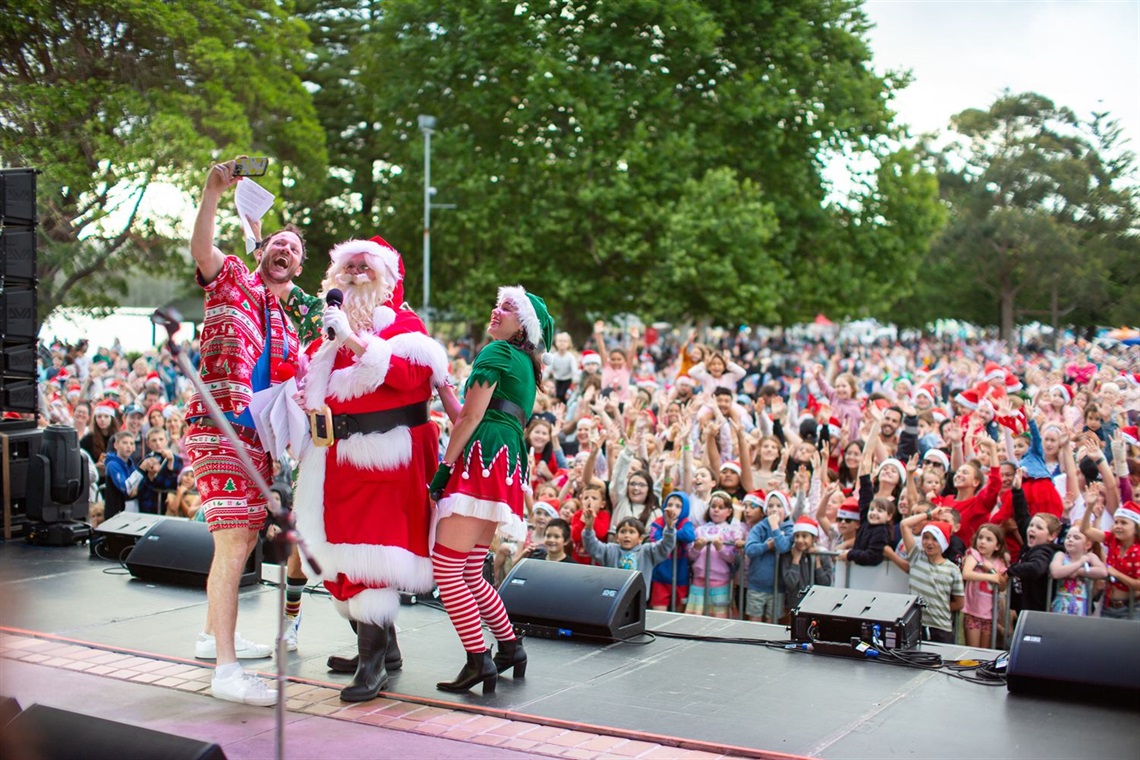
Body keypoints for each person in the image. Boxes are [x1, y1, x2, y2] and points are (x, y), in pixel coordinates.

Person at [293, 237, 447, 702]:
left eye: (366, 265)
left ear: (386, 276)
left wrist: (354, 339)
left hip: (384, 458)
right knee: (342, 552)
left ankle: (373, 663)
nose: (357, 272)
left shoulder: (403, 324)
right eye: (349, 264)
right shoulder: (330, 332)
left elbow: (413, 375)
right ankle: (383, 648)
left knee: (372, 555)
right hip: (336, 456)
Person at [184, 158, 304, 707]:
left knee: (245, 540)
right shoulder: (232, 277)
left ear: (297, 268)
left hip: (254, 439)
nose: (286, 249)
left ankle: (215, 638)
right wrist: (212, 192)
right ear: (261, 253)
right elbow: (202, 250)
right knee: (234, 545)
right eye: (279, 241)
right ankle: (227, 671)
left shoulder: (285, 323)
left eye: (296, 249)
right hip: (219, 426)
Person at [428, 285, 555, 694]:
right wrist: (444, 388)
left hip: (482, 459)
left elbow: (469, 422)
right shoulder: (522, 362)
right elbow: (472, 416)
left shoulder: (496, 352)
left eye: (508, 308)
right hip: (502, 459)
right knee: (469, 570)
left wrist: (444, 469)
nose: (496, 310)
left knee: (447, 569)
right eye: (499, 304)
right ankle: (510, 646)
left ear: (523, 327)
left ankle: (478, 658)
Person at [897, 514, 964, 643]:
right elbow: (904, 524)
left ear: (943, 542)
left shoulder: (953, 569)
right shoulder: (917, 556)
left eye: (935, 539)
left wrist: (937, 606)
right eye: (926, 538)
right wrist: (930, 514)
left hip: (940, 628)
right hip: (914, 624)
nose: (929, 542)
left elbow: (959, 603)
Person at [581, 510, 678, 595]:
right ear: (616, 537)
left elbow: (665, 545)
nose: (627, 535)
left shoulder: (647, 552)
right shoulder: (610, 550)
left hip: (637, 598)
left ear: (640, 538)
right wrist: (588, 528)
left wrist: (669, 527)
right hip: (613, 597)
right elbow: (592, 546)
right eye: (623, 532)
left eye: (631, 532)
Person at [961, 523, 1008, 647]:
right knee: (972, 650)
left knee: (984, 652)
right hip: (973, 612)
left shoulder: (999, 563)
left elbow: (1002, 585)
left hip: (989, 615)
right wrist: (990, 575)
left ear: (997, 546)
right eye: (980, 538)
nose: (982, 542)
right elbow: (966, 573)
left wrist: (992, 569)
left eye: (988, 539)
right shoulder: (974, 555)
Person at [1049, 525, 1107, 616]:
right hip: (1062, 603)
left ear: (1087, 545)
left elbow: (1103, 572)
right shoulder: (1060, 555)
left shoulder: (1090, 556)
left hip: (1081, 604)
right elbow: (1056, 572)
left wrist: (1078, 571)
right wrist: (1080, 562)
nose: (1070, 540)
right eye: (1068, 537)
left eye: (1076, 538)